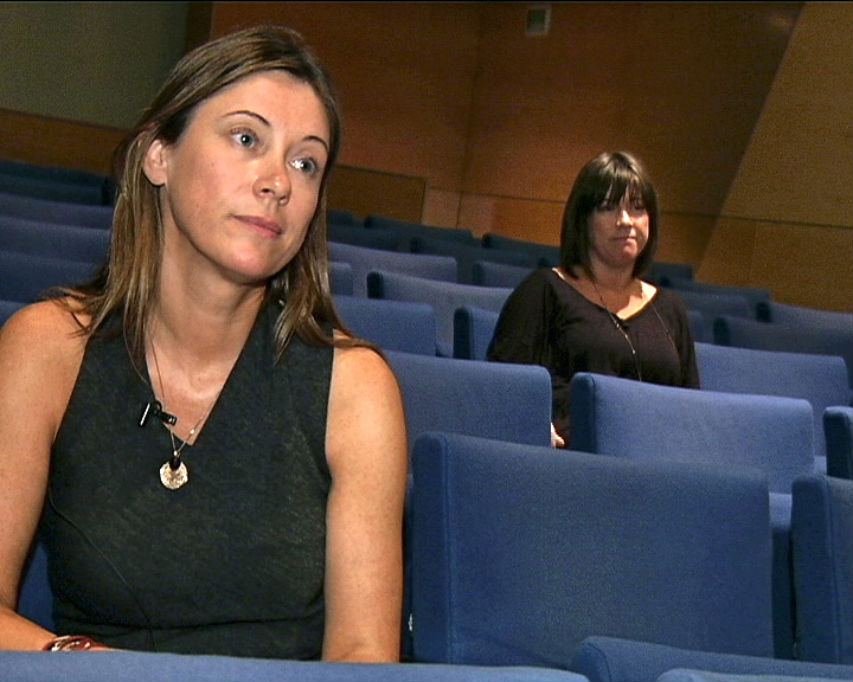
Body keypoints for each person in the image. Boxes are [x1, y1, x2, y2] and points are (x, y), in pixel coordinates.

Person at [0, 25, 407, 661]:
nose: (279, 182)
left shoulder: (356, 388)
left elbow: (362, 656)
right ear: (158, 155)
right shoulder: (47, 348)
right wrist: (104, 670)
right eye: (247, 139)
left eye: (305, 163)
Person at [487, 151, 700, 447]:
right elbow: (502, 387)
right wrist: (535, 426)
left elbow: (691, 407)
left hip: (655, 456)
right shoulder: (544, 290)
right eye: (608, 208)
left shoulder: (670, 309)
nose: (625, 221)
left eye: (637, 208)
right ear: (583, 219)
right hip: (568, 455)